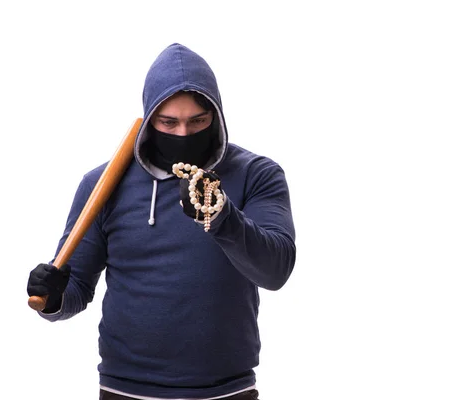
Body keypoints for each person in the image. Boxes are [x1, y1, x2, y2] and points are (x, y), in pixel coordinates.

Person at [26, 43, 296, 400]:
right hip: (125, 390)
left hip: (227, 391)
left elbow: (275, 271)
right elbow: (75, 288)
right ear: (150, 117)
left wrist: (221, 217)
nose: (183, 134)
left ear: (216, 115)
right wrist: (52, 298)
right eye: (169, 122)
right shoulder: (102, 184)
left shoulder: (256, 175)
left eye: (197, 121)